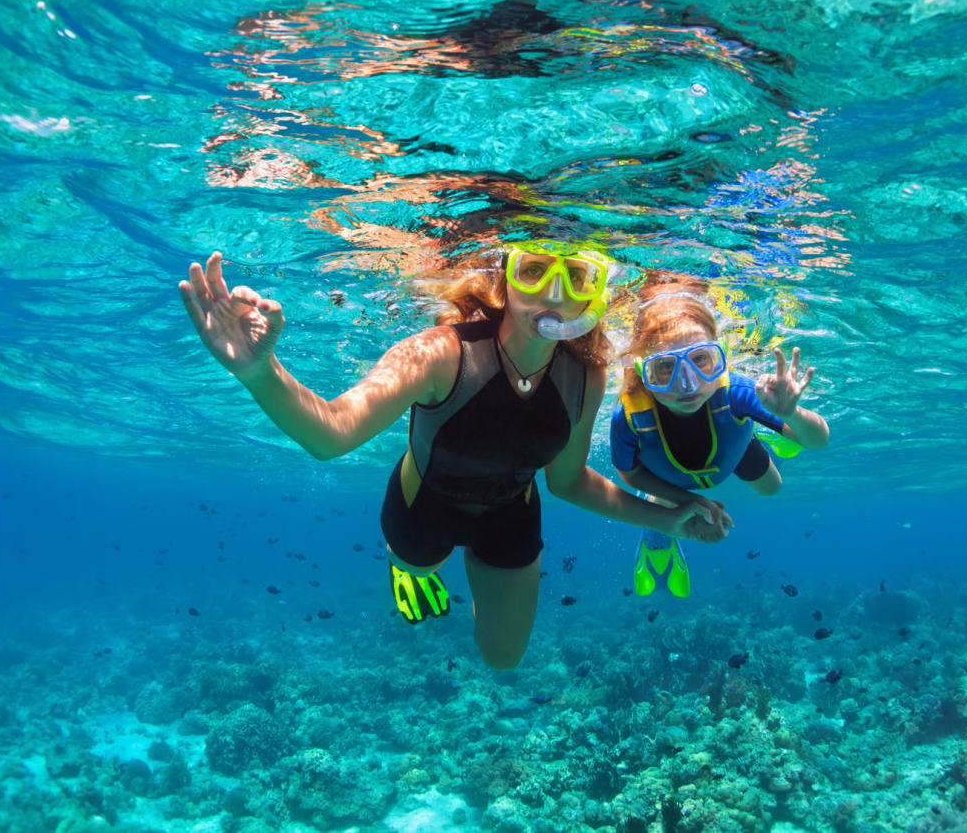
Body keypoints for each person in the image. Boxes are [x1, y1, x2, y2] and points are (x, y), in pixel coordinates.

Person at [179, 243, 729, 670]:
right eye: (534, 271)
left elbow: (567, 482)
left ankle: (469, 592)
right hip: (424, 507)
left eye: (577, 277)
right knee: (418, 565)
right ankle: (408, 568)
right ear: (504, 279)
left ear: (593, 293)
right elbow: (332, 434)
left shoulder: (586, 374)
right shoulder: (441, 352)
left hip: (512, 512)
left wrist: (669, 518)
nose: (555, 295)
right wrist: (259, 371)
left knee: (502, 659)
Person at [610, 282, 829, 598]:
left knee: (773, 488)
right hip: (666, 477)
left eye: (700, 360)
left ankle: (770, 426)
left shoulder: (738, 392)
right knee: (663, 507)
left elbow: (819, 441)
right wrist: (690, 501)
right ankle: (657, 537)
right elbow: (629, 474)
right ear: (644, 371)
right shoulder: (630, 417)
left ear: (720, 357)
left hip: (732, 448)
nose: (687, 385)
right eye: (665, 367)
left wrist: (793, 415)